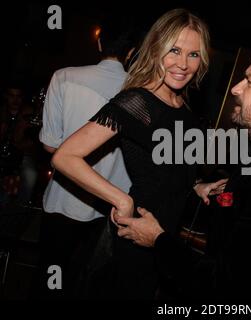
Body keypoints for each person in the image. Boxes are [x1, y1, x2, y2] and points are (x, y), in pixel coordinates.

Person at [114, 39, 251, 299]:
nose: (235, 89)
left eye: (250, 82)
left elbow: (226, 285)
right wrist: (229, 195)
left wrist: (157, 239)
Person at [51, 8, 226, 299]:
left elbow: (166, 166)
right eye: (174, 50)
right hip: (138, 231)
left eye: (193, 54)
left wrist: (197, 186)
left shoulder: (183, 107)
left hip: (164, 232)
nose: (183, 64)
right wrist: (121, 199)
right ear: (156, 49)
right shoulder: (137, 102)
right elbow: (64, 156)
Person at [36, 17, 138, 298]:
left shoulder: (65, 77)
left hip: (63, 200)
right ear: (131, 52)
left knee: (52, 281)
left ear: (99, 42)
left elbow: (49, 146)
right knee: (87, 285)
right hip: (111, 208)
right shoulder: (140, 94)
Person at [0, 82, 41, 206]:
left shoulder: (28, 113)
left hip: (21, 154)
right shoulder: (2, 111)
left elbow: (33, 141)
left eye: (18, 96)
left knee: (31, 174)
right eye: (12, 96)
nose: (15, 100)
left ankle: (20, 207)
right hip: (3, 152)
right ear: (6, 96)